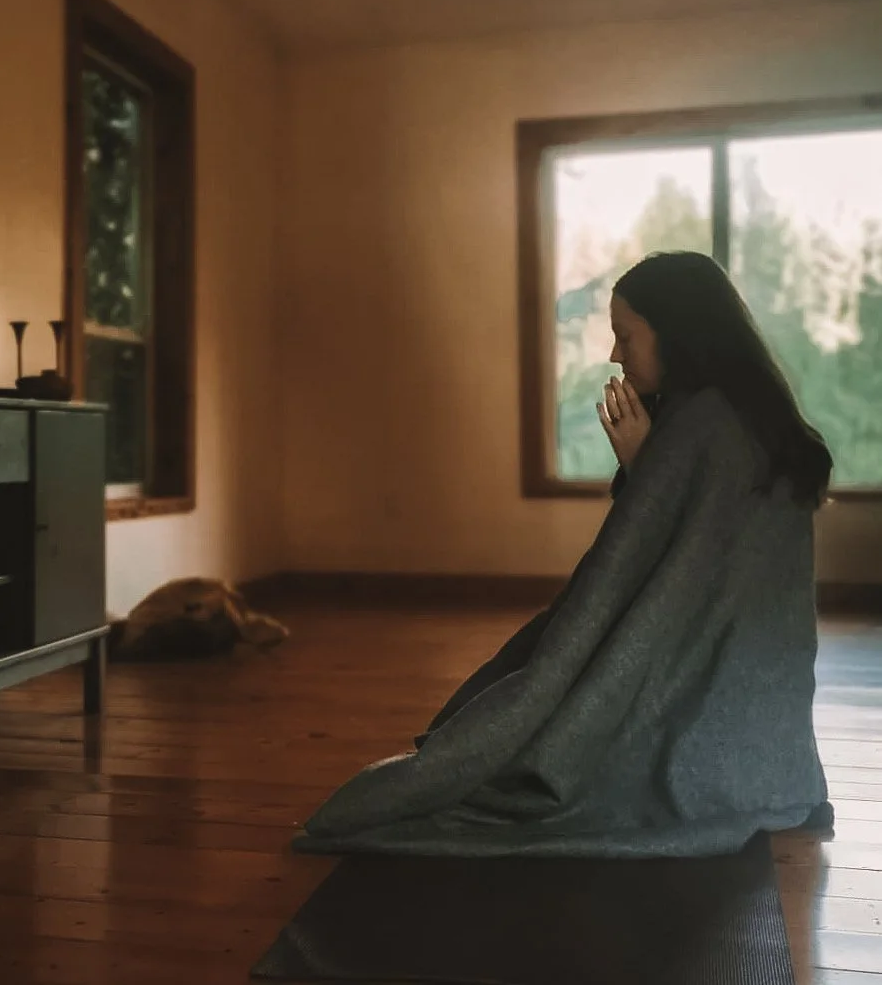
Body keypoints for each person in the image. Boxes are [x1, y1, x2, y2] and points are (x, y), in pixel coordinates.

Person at [293, 250, 834, 859]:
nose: (615, 354)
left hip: (712, 704)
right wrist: (648, 470)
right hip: (774, 739)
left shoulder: (707, 424)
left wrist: (648, 469)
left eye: (625, 335)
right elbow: (686, 555)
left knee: (541, 721)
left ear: (677, 332)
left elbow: (671, 580)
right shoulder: (745, 414)